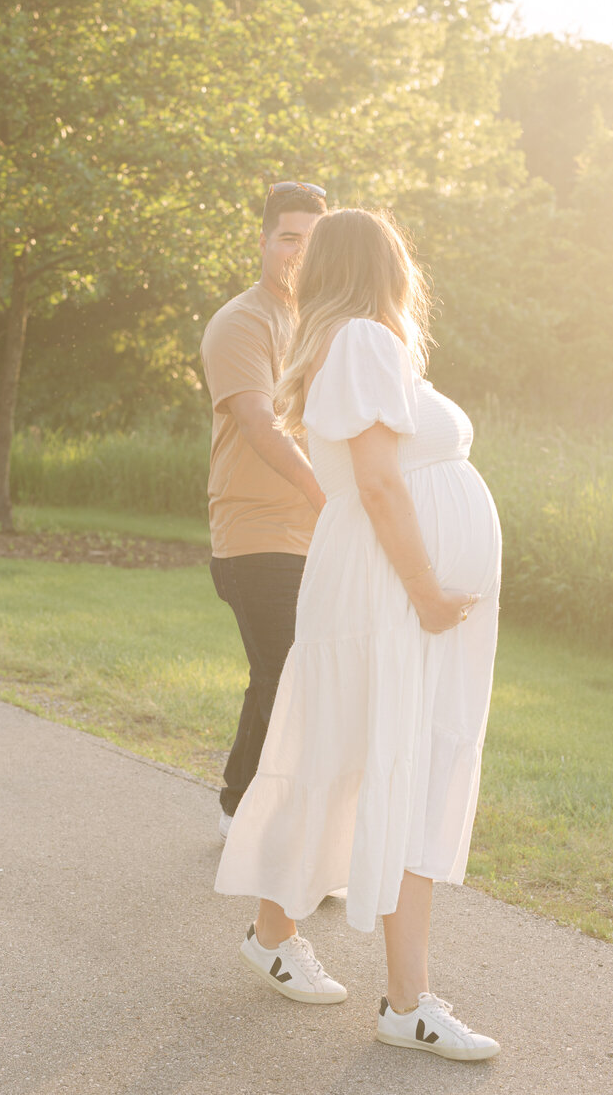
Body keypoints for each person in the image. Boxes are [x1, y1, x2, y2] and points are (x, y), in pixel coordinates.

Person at [215, 208, 503, 1063]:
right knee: (399, 764)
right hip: (390, 588)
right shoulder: (366, 343)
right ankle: (407, 1003)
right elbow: (379, 483)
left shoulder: (343, 342)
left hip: (369, 579)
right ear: (387, 266)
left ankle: (272, 937)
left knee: (345, 755)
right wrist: (425, 591)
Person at [200, 181, 327, 841]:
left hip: (310, 534)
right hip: (253, 531)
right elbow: (257, 422)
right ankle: (255, 819)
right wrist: (327, 498)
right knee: (288, 673)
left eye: (311, 241)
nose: (297, 254)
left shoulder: (318, 324)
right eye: (287, 238)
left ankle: (243, 806)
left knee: (286, 673)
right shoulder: (242, 322)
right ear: (263, 241)